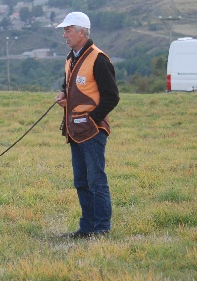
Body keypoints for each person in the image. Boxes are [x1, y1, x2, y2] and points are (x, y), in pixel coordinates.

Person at [55, 12, 120, 238]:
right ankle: (86, 228)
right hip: (74, 130)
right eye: (64, 30)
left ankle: (101, 229)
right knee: (81, 182)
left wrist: (92, 118)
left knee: (96, 181)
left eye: (68, 30)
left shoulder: (99, 59)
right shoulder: (70, 58)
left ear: (82, 32)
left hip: (92, 131)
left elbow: (112, 97)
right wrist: (63, 96)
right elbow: (68, 87)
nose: (64, 34)